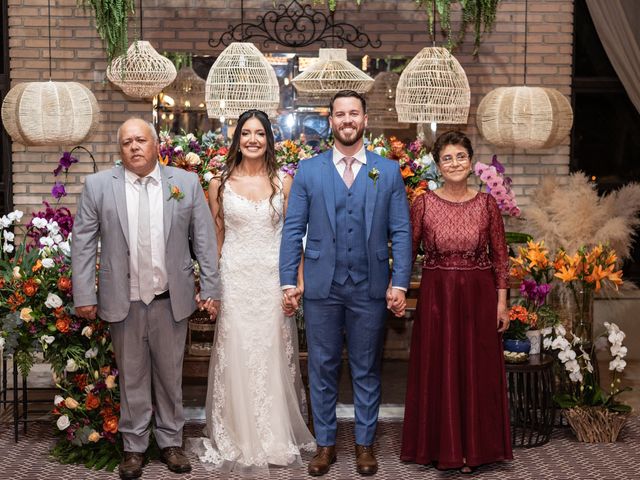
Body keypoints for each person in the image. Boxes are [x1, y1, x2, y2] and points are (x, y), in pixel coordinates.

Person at [72, 118, 221, 480]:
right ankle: (134, 447)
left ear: (156, 145)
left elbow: (203, 239)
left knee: (171, 377)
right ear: (119, 149)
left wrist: (212, 288)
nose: (134, 147)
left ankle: (171, 443)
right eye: (127, 142)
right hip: (123, 300)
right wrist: (83, 293)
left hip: (171, 300)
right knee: (132, 379)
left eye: (141, 140)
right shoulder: (98, 186)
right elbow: (83, 242)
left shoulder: (184, 183)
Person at [280, 90, 412, 476]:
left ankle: (365, 444)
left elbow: (401, 231)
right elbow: (293, 230)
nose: (347, 120)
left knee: (366, 367)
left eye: (354, 113)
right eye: (340, 114)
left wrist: (400, 283)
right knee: (321, 367)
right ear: (331, 121)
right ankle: (325, 445)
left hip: (369, 285)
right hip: (322, 286)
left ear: (365, 120)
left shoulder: (385, 171)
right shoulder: (309, 170)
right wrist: (289, 279)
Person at [190, 109, 315, 476]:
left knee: (272, 353)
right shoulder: (219, 183)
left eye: (260, 133)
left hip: (272, 279)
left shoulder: (284, 183)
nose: (253, 140)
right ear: (237, 139)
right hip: (235, 279)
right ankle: (237, 434)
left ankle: (273, 434)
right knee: (237, 353)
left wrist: (298, 279)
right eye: (246, 133)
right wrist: (211, 286)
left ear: (269, 139)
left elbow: (295, 239)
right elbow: (217, 239)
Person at [400, 130, 513, 473]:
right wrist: (399, 290)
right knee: (439, 369)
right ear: (437, 165)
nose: (454, 163)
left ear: (471, 162)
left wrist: (502, 302)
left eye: (460, 156)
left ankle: (474, 450)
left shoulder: (487, 204)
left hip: (479, 299)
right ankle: (441, 448)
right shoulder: (423, 203)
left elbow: (501, 257)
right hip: (437, 298)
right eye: (447, 158)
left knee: (475, 371)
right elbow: (408, 251)